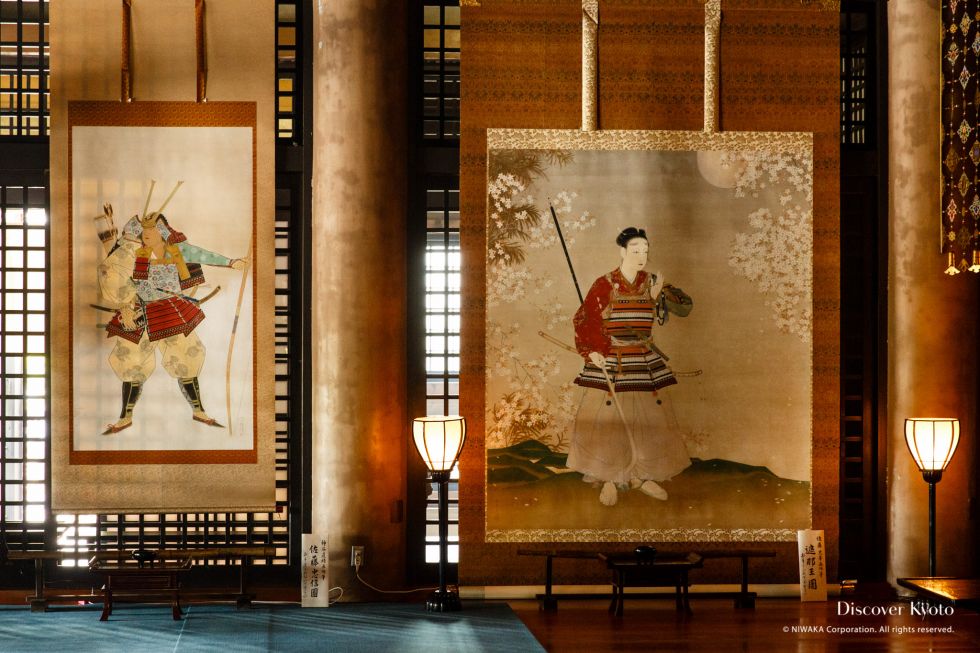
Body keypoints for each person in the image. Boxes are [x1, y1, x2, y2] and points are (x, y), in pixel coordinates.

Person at [567, 226, 693, 506]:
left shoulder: (652, 281)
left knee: (649, 417)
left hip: (643, 359)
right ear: (622, 252)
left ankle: (642, 475)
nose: (641, 256)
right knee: (609, 420)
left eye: (645, 251)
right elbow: (584, 319)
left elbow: (686, 308)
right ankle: (611, 479)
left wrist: (660, 295)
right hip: (612, 356)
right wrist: (593, 352)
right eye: (635, 250)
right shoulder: (605, 284)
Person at [97, 211, 248, 434]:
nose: (147, 234)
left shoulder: (177, 250)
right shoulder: (133, 251)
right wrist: (125, 306)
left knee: (187, 355)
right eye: (144, 230)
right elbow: (113, 273)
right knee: (131, 360)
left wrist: (231, 262)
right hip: (140, 311)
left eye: (152, 230)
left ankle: (198, 411)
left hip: (170, 310)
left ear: (163, 232)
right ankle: (125, 417)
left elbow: (202, 254)